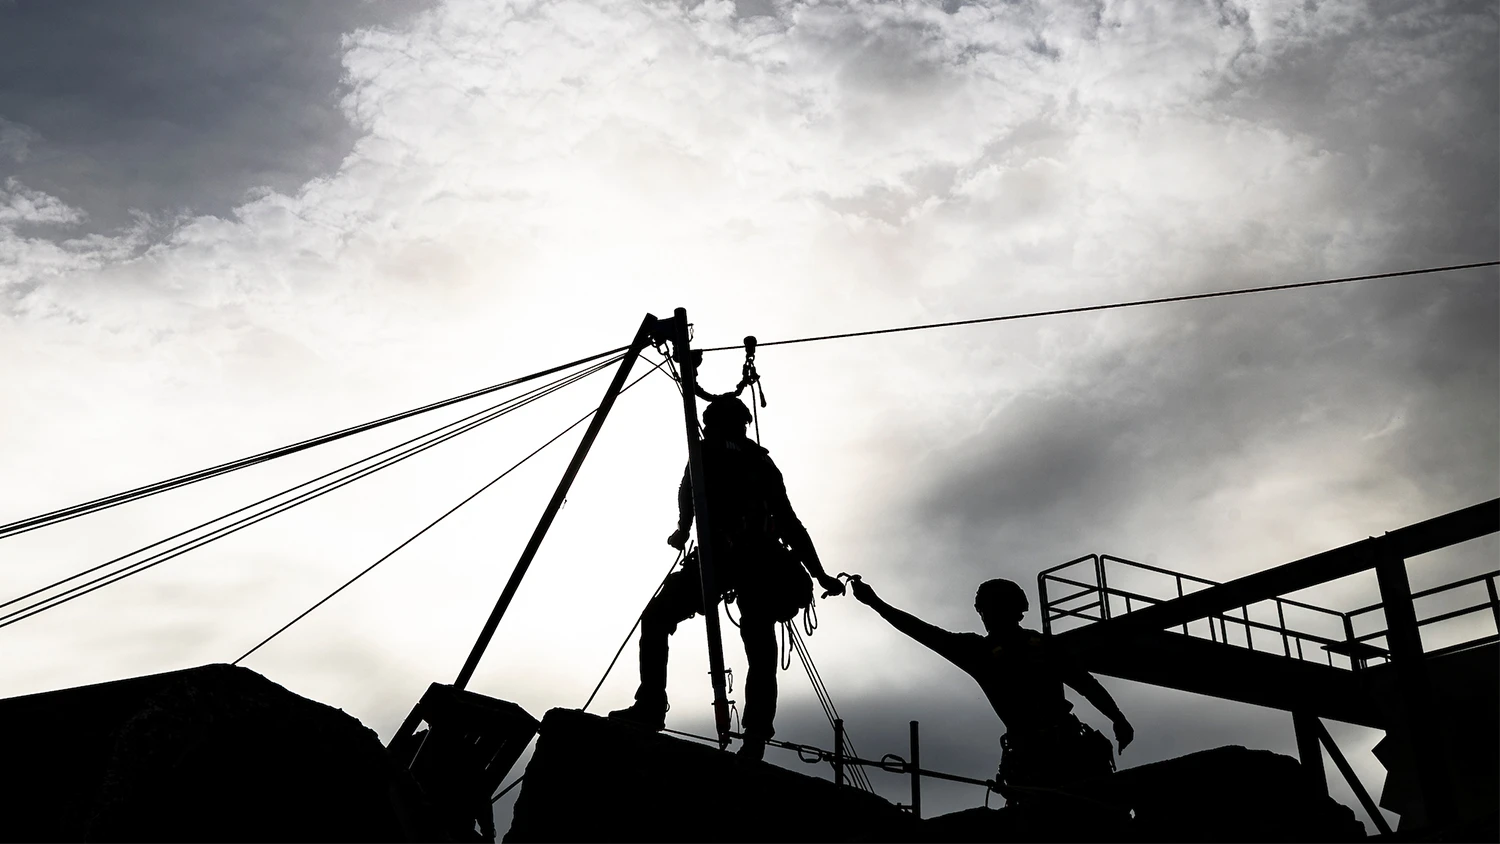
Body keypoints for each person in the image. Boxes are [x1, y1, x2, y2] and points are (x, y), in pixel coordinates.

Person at [610, 397, 845, 760]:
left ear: (716, 424)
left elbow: (690, 492)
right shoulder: (752, 460)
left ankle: (661, 709)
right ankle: (749, 735)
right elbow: (787, 520)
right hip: (743, 559)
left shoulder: (720, 455)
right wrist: (820, 573)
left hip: (743, 560)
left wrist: (682, 528)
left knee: (689, 623)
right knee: (756, 641)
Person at [850, 576, 1132, 797]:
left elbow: (1085, 683)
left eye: (987, 609)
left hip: (1052, 756)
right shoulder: (1022, 647)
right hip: (1047, 756)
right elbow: (1086, 684)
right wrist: (1117, 718)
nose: (984, 615)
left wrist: (876, 603)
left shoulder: (987, 652)